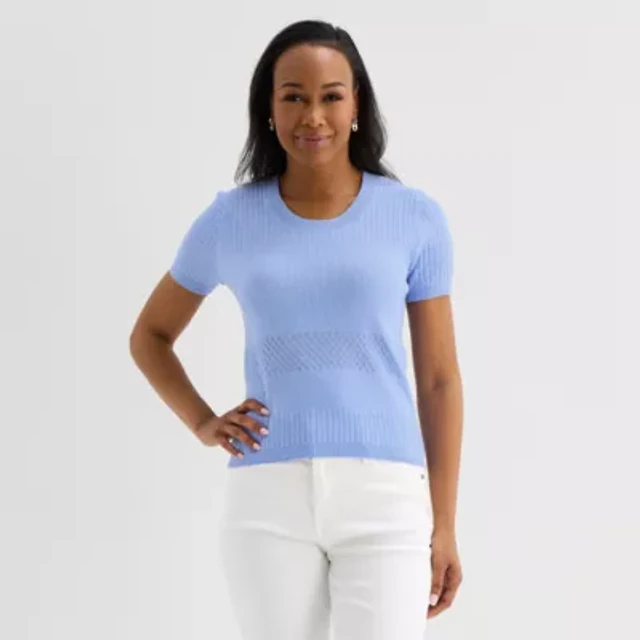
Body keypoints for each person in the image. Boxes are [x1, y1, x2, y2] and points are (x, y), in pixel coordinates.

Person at [130, 18, 464, 640]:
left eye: (331, 96)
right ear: (269, 108)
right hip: (268, 495)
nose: (313, 116)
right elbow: (150, 336)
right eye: (293, 97)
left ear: (357, 105)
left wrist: (443, 524)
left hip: (387, 495)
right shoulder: (231, 219)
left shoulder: (413, 218)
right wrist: (203, 422)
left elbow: (439, 381)